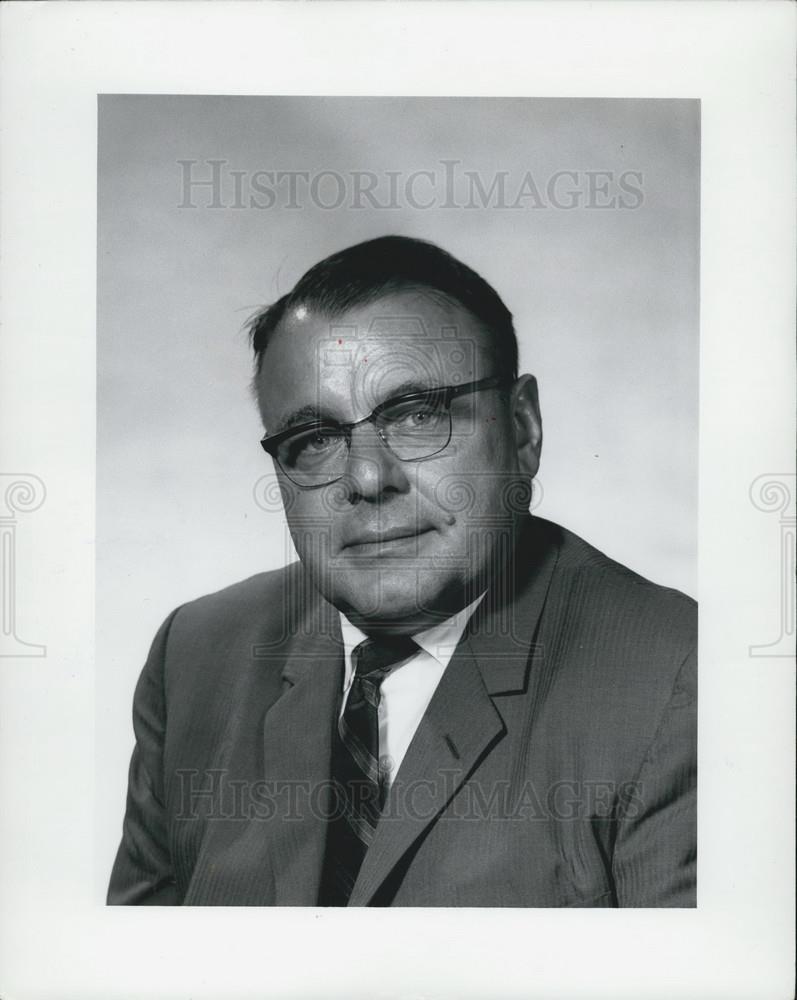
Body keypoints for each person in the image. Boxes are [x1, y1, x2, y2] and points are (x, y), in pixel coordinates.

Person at [108, 235, 696, 907]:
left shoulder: (678, 680)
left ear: (523, 429)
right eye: (315, 440)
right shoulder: (196, 655)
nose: (366, 477)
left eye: (417, 416)